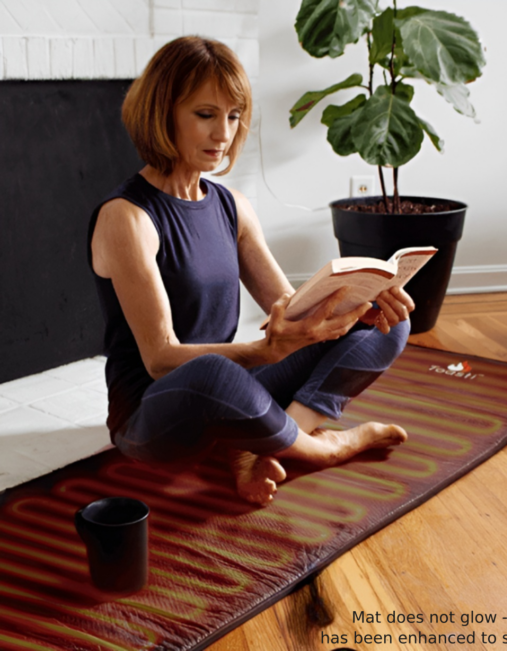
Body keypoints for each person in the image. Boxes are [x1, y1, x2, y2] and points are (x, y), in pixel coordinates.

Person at [88, 36, 415, 507]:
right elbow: (160, 359)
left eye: (234, 115)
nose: (223, 133)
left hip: (236, 391)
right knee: (213, 374)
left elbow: (293, 311)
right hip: (154, 417)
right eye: (206, 115)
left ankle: (259, 443)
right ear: (163, 113)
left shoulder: (231, 206)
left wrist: (358, 306)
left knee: (392, 322)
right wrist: (263, 350)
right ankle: (323, 447)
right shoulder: (127, 217)